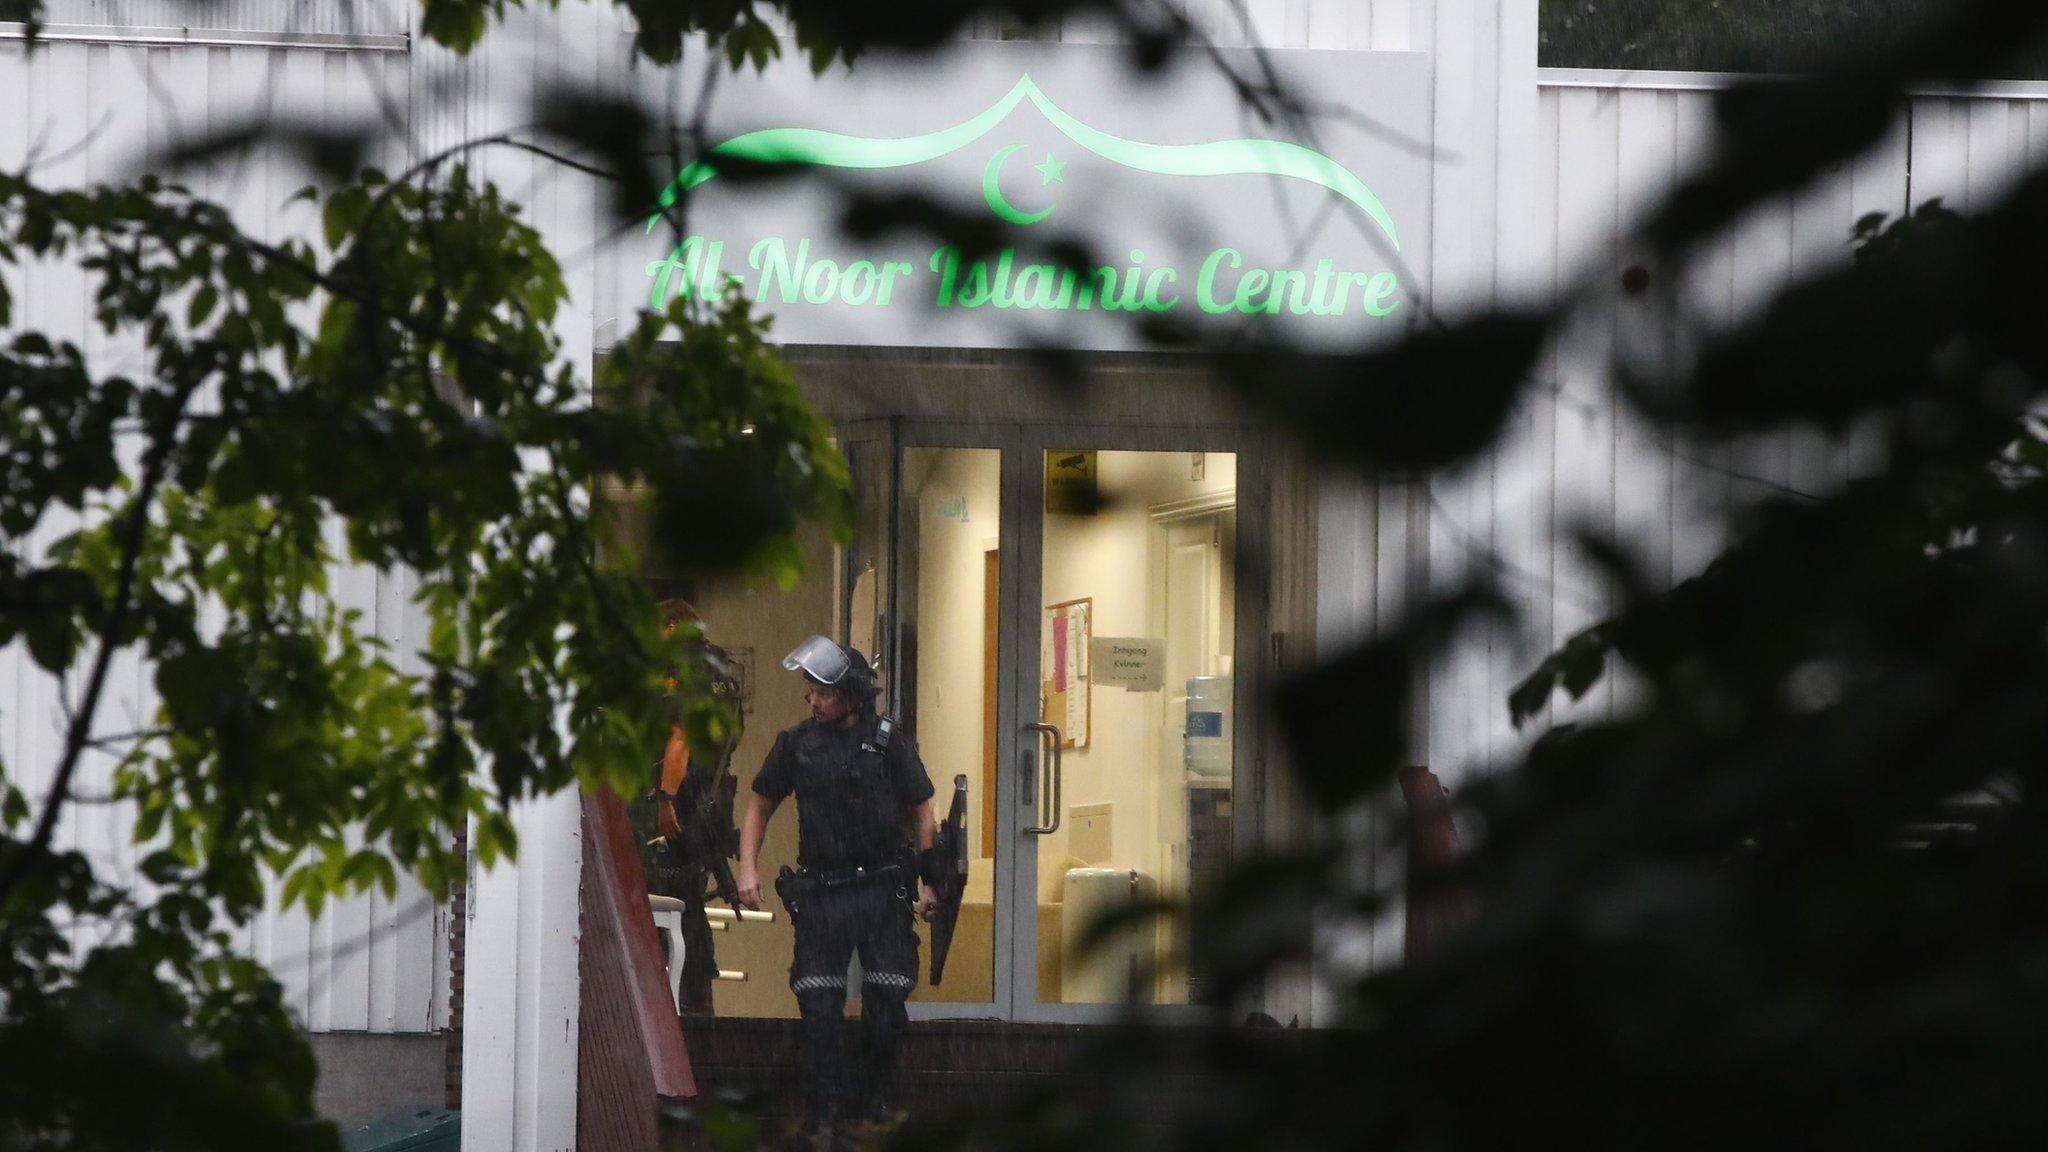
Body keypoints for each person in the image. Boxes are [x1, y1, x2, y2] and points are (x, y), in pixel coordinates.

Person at [736, 635, 939, 1123]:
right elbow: (760, 805)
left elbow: (924, 814)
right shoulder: (796, 743)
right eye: (810, 692)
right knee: (819, 1006)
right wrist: (747, 866)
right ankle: (826, 1108)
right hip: (822, 892)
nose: (813, 701)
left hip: (881, 888)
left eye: (822, 693)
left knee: (887, 1001)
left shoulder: (889, 740)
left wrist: (931, 883)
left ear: (850, 695)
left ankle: (876, 1099)